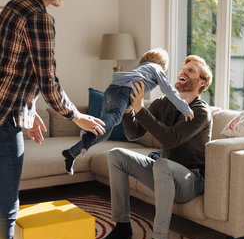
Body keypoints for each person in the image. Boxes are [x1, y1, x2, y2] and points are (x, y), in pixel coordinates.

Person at [0, 0, 105, 239]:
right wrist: (78, 117)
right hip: (3, 124)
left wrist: (28, 115)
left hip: (9, 115)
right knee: (7, 211)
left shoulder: (12, 7)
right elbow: (48, 80)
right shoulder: (39, 16)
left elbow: (14, 71)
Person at [95, 54, 213, 239]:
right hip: (163, 172)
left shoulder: (200, 111)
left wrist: (141, 109)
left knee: (162, 163)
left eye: (191, 70)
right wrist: (128, 108)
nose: (183, 72)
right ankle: (122, 226)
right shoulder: (163, 103)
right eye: (183, 69)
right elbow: (134, 134)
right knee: (116, 155)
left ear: (201, 83)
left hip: (190, 180)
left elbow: (170, 139)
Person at [62, 48, 194, 175]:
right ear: (162, 63)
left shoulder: (141, 68)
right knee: (114, 117)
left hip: (111, 90)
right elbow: (168, 89)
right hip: (123, 91)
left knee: (105, 132)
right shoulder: (156, 68)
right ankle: (89, 131)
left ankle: (71, 153)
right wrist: (185, 108)